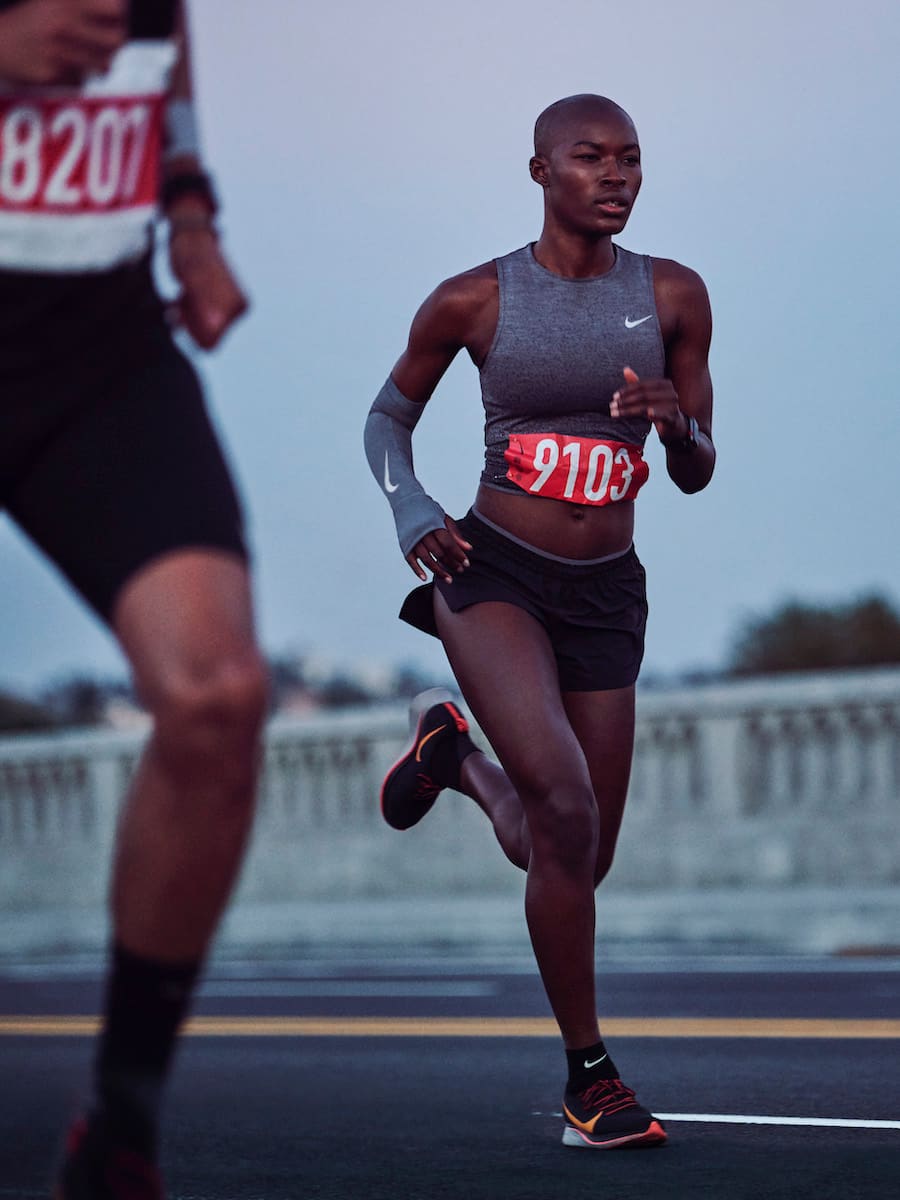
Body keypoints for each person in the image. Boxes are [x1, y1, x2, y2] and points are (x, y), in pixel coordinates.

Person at [365, 93, 715, 1150]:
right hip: (494, 572)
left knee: (572, 848)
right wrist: (413, 507)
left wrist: (677, 423)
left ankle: (453, 759)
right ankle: (590, 1080)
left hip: (608, 592)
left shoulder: (676, 296)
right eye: (591, 158)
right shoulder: (475, 299)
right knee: (562, 803)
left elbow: (697, 470)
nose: (616, 175)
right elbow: (388, 419)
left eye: (632, 160)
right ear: (540, 172)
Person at [0, 2, 267, 1195]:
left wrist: (193, 215)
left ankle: (119, 1133)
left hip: (96, 336)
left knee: (217, 698)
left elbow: (169, 51)